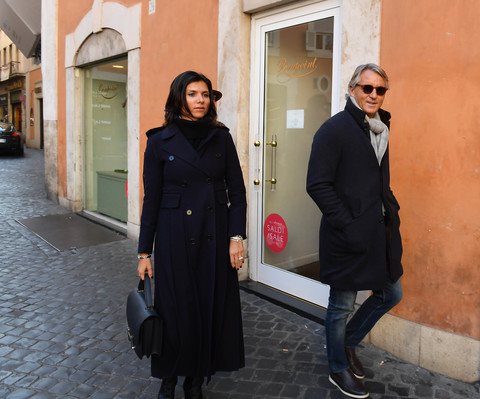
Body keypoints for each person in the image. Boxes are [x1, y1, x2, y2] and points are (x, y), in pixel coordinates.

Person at [137, 71, 247, 399]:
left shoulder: (221, 138)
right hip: (174, 237)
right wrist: (144, 253)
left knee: (208, 306)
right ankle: (169, 378)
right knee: (173, 309)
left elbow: (238, 193)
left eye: (205, 95)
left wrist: (236, 237)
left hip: (214, 233)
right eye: (192, 94)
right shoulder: (159, 141)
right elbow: (152, 199)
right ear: (178, 98)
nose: (200, 100)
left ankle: (195, 380)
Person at [306, 63, 403, 398]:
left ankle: (347, 344)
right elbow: (317, 185)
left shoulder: (380, 127)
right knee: (341, 303)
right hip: (346, 234)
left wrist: (389, 205)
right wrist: (347, 223)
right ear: (352, 89)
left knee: (391, 293)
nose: (374, 94)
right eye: (367, 88)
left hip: (379, 233)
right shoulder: (334, 130)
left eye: (380, 89)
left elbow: (376, 178)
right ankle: (337, 367)